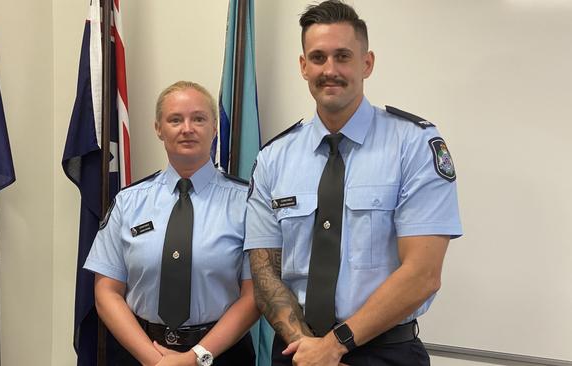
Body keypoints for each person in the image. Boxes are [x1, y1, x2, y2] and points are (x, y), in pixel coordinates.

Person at [244, 1, 462, 365]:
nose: (330, 70)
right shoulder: (273, 158)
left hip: (385, 352)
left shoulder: (413, 144)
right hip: (298, 351)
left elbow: (423, 274)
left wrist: (333, 346)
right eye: (317, 57)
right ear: (303, 66)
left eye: (343, 56)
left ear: (367, 63)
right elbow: (265, 272)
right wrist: (309, 348)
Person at [84, 81, 259, 366]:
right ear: (158, 129)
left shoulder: (248, 204)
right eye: (175, 119)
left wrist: (195, 358)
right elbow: (106, 291)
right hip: (139, 353)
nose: (187, 128)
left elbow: (254, 297)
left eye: (198, 119)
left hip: (221, 354)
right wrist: (154, 360)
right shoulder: (129, 202)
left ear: (215, 127)